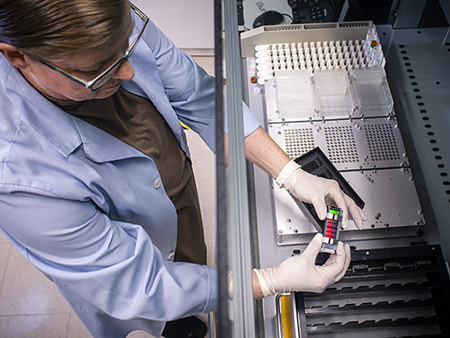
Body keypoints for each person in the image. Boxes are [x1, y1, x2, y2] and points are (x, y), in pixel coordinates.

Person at [0, 0, 367, 337]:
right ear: (17, 56)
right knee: (167, 318)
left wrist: (292, 175)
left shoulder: (109, 20)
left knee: (192, 259)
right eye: (98, 69)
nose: (127, 71)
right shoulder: (17, 174)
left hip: (172, 200)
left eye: (125, 47)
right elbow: (136, 284)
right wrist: (267, 281)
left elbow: (201, 97)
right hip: (127, 271)